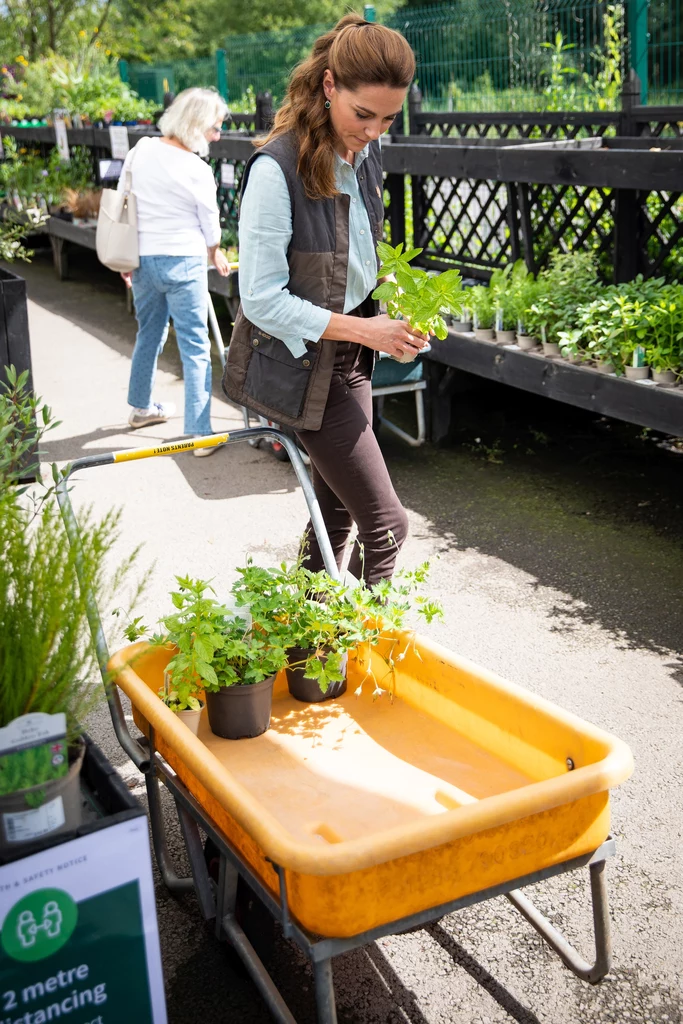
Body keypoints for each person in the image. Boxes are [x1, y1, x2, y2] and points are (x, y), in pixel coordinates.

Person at [225, 13, 427, 582]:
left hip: (352, 361)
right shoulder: (276, 170)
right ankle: (360, 659)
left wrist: (393, 314)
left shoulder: (365, 153)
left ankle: (308, 662)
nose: (374, 131)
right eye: (364, 115)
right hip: (305, 367)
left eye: (389, 118)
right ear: (330, 84)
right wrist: (368, 331)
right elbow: (260, 300)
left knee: (335, 515)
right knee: (387, 526)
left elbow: (358, 261)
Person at [120, 87, 231, 457]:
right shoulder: (197, 169)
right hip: (184, 260)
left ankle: (141, 408)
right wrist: (214, 253)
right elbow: (210, 225)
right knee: (195, 346)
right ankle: (200, 434)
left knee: (148, 333)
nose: (217, 136)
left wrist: (126, 259)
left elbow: (123, 201)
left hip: (142, 260)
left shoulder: (141, 150)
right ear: (196, 125)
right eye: (214, 128)